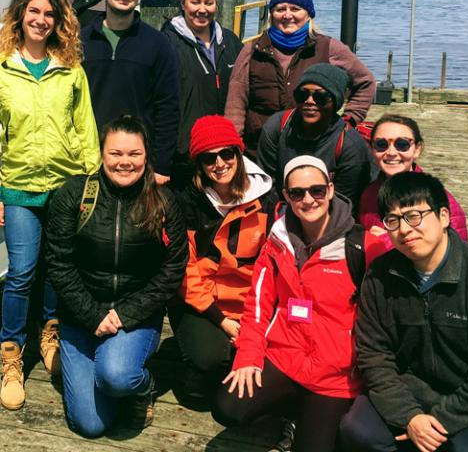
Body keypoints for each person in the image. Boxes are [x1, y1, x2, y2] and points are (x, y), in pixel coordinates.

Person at [0, 0, 100, 411]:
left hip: (66, 186)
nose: (41, 20)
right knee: (23, 269)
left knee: (56, 265)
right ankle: (12, 354)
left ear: (59, 20)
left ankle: (50, 331)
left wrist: (92, 182)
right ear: (20, 15)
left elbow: (86, 130)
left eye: (49, 14)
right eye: (34, 12)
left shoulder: (70, 68)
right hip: (18, 186)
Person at [340, 171, 468, 452]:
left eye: (414, 216)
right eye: (393, 220)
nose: (404, 229)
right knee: (358, 431)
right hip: (410, 388)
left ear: (443, 217)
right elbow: (374, 355)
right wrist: (410, 417)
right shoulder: (379, 276)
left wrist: (438, 421)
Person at [212, 156, 382, 452]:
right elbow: (258, 304)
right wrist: (249, 356)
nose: (308, 199)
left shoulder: (362, 246)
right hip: (285, 356)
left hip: (335, 373)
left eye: (316, 190)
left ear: (330, 190)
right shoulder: (277, 242)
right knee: (228, 407)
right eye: (297, 193)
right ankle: (295, 411)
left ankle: (308, 418)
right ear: (287, 197)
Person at [46, 115, 188, 437]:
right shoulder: (74, 195)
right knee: (91, 424)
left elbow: (173, 267)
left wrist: (123, 314)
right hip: (82, 316)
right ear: (102, 154)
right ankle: (105, 380)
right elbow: (58, 262)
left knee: (117, 376)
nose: (125, 162)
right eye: (116, 153)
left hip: (134, 317)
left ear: (146, 156)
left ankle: (141, 387)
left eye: (134, 154)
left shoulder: (164, 202)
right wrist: (93, 314)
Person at [170, 115, 277, 396]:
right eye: (208, 158)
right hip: (203, 305)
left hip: (251, 305)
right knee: (207, 361)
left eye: (226, 153)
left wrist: (252, 323)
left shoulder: (268, 199)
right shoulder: (185, 202)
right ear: (199, 164)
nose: (219, 164)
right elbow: (186, 270)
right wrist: (223, 322)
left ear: (238, 154)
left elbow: (272, 269)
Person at [225, 0, 375, 157]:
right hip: (259, 152)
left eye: (295, 8)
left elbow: (366, 82)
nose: (288, 15)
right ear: (272, 13)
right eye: (280, 9)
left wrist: (349, 120)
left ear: (308, 13)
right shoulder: (252, 49)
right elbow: (236, 102)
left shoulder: (328, 47)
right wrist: (233, 147)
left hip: (313, 152)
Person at [81, 0, 180, 183]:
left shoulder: (158, 43)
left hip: (138, 164)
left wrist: (162, 166)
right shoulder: (80, 42)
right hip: (90, 162)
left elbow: (168, 108)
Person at [255, 63, 376, 211]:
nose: (310, 101)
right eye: (302, 95)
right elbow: (267, 183)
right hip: (283, 207)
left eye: (320, 97)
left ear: (335, 101)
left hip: (329, 214)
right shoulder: (276, 127)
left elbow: (344, 202)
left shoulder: (350, 144)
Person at [161, 0, 243, 186]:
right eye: (195, 2)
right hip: (186, 155)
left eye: (208, 2)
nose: (202, 9)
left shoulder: (230, 41)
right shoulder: (167, 43)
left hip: (222, 154)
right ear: (183, 3)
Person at [358, 114, 468, 242]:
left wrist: (388, 243)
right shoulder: (368, 195)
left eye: (402, 144)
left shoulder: (439, 198)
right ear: (372, 149)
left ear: (417, 149)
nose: (391, 153)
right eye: (381, 144)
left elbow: (456, 251)